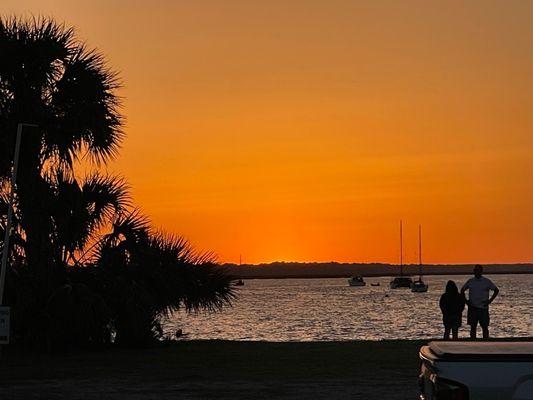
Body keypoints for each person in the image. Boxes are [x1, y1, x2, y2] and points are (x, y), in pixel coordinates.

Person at [461, 265, 499, 339]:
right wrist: (466, 301)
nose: (476, 272)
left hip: (483, 308)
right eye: (475, 270)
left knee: (484, 326)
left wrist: (490, 301)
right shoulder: (470, 281)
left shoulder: (486, 281)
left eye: (477, 270)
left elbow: (496, 290)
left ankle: (486, 341)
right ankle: (473, 341)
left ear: (481, 271)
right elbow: (462, 290)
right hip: (473, 308)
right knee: (473, 327)